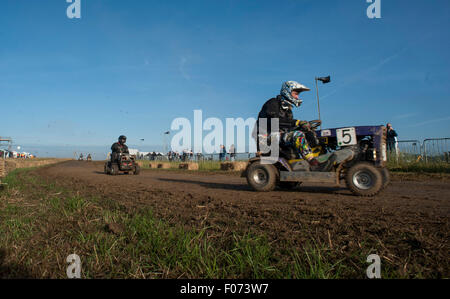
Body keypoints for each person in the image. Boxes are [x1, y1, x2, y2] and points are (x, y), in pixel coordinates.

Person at [256, 81, 329, 170]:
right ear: (287, 91)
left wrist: (305, 127)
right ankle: (313, 163)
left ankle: (319, 156)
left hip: (279, 135)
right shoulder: (272, 103)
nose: (297, 97)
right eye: (295, 94)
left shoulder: (288, 111)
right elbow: (275, 121)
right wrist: (297, 122)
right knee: (298, 135)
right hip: (266, 137)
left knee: (309, 133)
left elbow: (288, 125)